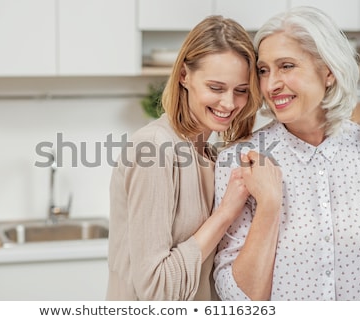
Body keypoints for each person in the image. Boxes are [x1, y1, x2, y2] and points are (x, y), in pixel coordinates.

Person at [106, 15, 282, 300]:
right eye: (216, 88)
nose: (229, 103)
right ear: (184, 76)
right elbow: (156, 290)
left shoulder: (212, 155)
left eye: (240, 91)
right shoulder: (154, 149)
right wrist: (224, 214)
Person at [214, 6, 360, 301]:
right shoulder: (241, 160)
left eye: (287, 66)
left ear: (328, 71)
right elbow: (237, 298)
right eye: (264, 70)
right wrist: (269, 206)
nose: (271, 84)